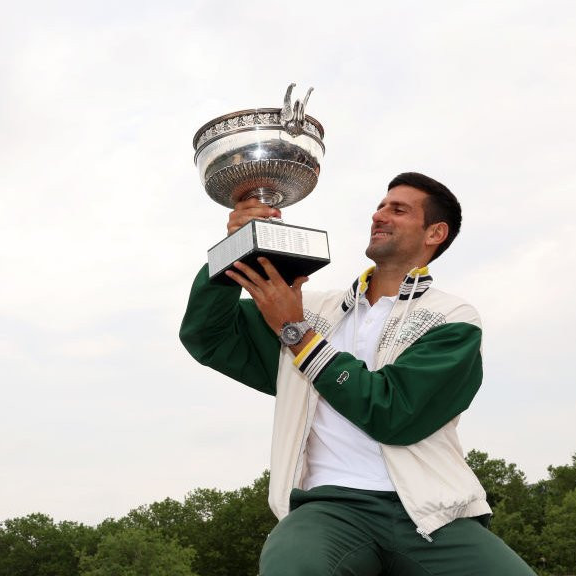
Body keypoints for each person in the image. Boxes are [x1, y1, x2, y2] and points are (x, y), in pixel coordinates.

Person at [180, 173, 534, 575]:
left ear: (435, 232)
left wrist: (298, 336)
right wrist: (235, 246)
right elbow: (206, 334)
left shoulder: (452, 319)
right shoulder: (307, 309)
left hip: (432, 515)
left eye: (398, 209)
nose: (379, 215)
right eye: (380, 206)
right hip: (329, 509)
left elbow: (394, 414)